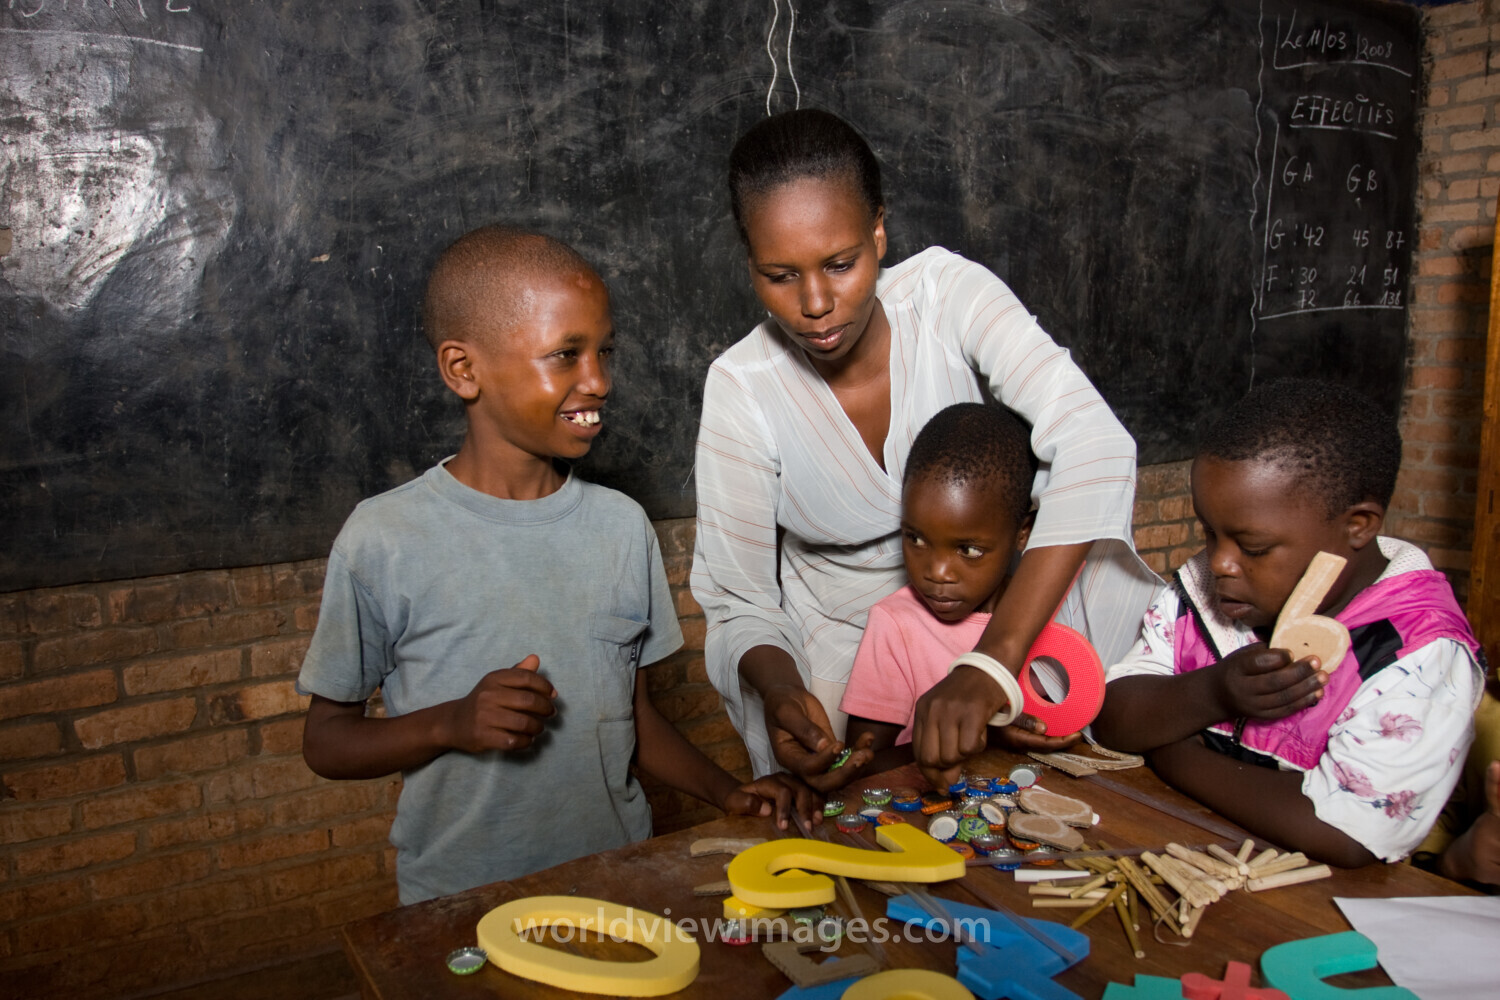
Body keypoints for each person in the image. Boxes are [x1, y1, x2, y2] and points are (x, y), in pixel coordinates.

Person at [298, 226, 817, 905]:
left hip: (618, 882)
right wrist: (448, 723)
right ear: (463, 369)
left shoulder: (620, 527)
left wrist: (729, 792)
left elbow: (629, 722)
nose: (598, 380)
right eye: (565, 355)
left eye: (605, 352)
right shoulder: (385, 537)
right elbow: (326, 742)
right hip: (462, 905)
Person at [691, 108, 1160, 792]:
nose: (816, 302)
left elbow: (1094, 442)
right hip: (835, 652)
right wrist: (784, 692)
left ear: (879, 230)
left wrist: (992, 662)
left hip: (999, 621)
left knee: (1029, 810)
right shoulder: (743, 388)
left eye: (841, 263)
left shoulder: (948, 297)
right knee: (858, 826)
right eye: (780, 275)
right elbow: (741, 599)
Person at [1093, 378, 1484, 866]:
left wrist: (1175, 755)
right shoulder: (1209, 591)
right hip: (1173, 843)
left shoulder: (1417, 651)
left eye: (1252, 547)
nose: (1220, 563)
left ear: (1357, 526)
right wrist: (1214, 692)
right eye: (1211, 534)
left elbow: (1344, 832)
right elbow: (1113, 718)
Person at [834, 403, 1040, 779]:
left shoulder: (1044, 615)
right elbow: (859, 768)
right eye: (915, 538)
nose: (936, 573)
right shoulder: (896, 626)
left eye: (968, 549)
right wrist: (979, 737)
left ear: (1022, 532)